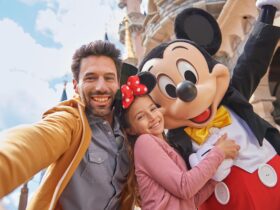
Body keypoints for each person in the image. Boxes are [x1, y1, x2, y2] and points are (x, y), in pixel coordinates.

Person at [0, 40, 134, 210]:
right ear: (76, 86)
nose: (101, 87)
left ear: (117, 84)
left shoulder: (127, 131)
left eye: (109, 78)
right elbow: (31, 142)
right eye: (91, 78)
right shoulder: (70, 121)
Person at [119, 73, 240, 210]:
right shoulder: (144, 142)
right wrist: (219, 152)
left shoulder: (167, 146)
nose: (152, 117)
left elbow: (192, 199)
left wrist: (215, 177)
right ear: (130, 130)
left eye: (153, 109)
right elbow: (185, 187)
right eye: (140, 117)